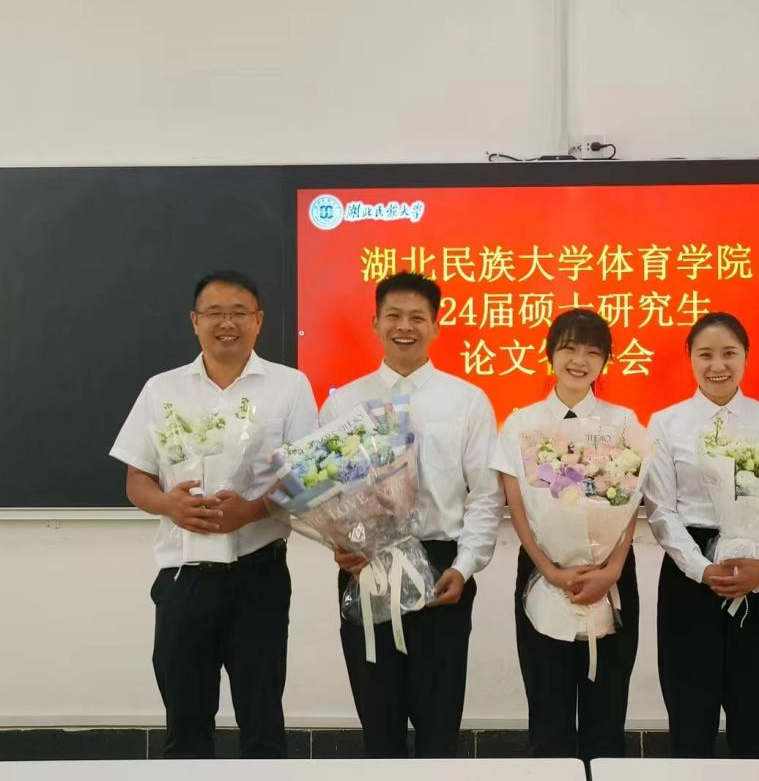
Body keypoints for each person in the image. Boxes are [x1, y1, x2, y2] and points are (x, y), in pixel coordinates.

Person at [110, 270, 318, 758]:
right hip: (184, 576)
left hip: (259, 575)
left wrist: (252, 511)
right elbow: (136, 480)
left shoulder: (289, 386)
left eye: (239, 313)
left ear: (258, 320)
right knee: (185, 726)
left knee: (262, 723)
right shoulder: (162, 389)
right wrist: (171, 504)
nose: (227, 323)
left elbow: (308, 476)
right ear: (194, 321)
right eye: (215, 313)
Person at [320, 271, 502, 758]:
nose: (405, 326)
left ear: (436, 326)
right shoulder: (344, 403)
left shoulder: (467, 401)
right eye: (394, 316)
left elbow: (486, 496)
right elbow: (324, 494)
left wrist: (465, 566)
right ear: (375, 323)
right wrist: (341, 544)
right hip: (367, 566)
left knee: (439, 725)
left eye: (417, 317)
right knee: (378, 723)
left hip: (443, 571)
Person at [644, 312, 759, 758]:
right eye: (705, 354)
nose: (718, 365)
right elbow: (661, 510)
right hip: (690, 577)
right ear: (690, 359)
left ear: (746, 357)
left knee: (755, 718)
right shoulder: (667, 423)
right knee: (690, 718)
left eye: (729, 353)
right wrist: (701, 568)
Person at [491, 308, 640, 760]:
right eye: (570, 348)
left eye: (593, 352)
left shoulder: (623, 421)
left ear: (605, 361)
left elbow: (630, 506)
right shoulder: (522, 423)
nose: (580, 360)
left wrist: (612, 569)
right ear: (550, 353)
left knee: (606, 716)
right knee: (548, 716)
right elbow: (517, 507)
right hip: (542, 571)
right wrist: (549, 570)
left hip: (612, 574)